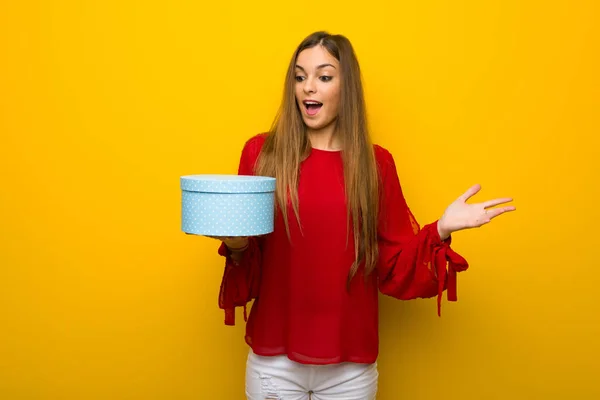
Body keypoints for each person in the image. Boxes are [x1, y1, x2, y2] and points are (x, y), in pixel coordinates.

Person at [212, 31, 515, 400]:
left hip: (350, 373)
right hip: (274, 363)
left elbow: (392, 262)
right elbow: (251, 256)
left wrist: (441, 228)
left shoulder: (376, 164)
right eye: (300, 76)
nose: (309, 87)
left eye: (324, 77)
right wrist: (235, 242)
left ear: (346, 87)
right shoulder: (262, 154)